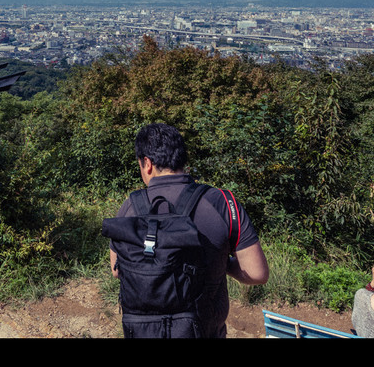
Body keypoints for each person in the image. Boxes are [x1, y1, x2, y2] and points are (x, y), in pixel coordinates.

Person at [107, 123, 269, 337]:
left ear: (147, 163)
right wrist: (222, 262)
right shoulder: (223, 203)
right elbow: (257, 273)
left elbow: (117, 270)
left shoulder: (129, 207)